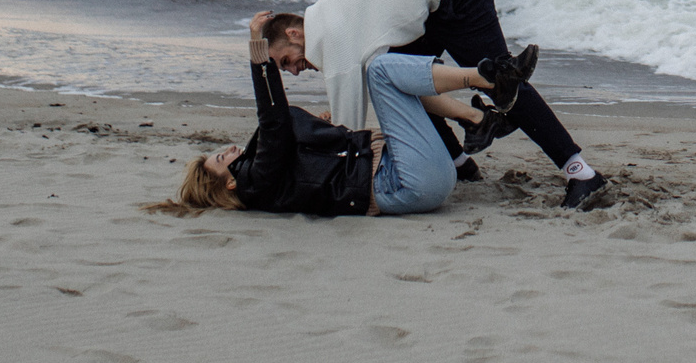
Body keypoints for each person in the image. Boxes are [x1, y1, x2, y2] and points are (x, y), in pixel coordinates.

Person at [263, 0, 610, 209]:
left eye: (286, 61)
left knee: (505, 86)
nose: (294, 71)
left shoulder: (329, 32)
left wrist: (336, 157)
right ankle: (460, 162)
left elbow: (347, 120)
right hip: (432, 3)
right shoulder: (331, 13)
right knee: (401, 77)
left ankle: (581, 173)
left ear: (294, 34)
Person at [150, 11, 523, 216]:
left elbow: (302, 148)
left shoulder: (265, 179)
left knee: (383, 72)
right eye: (222, 158)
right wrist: (257, 53)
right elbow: (274, 121)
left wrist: (323, 125)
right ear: (229, 183)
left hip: (414, 176)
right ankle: (486, 79)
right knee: (379, 70)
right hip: (407, 183)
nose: (231, 149)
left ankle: (478, 119)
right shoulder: (254, 181)